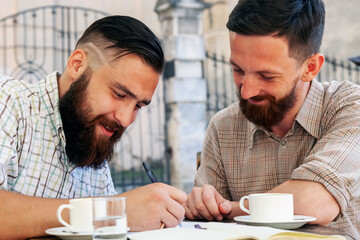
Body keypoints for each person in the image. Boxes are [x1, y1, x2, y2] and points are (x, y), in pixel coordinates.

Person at [185, 0, 360, 239]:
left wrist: (229, 210)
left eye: (266, 76)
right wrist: (200, 205)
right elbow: (204, 226)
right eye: (237, 70)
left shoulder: (350, 107)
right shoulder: (222, 127)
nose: (246, 92)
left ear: (310, 67)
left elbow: (315, 201)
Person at [0, 15, 186, 239]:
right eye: (119, 94)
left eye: (138, 105)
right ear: (77, 65)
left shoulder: (93, 148)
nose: (126, 119)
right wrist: (112, 210)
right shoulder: (9, 102)